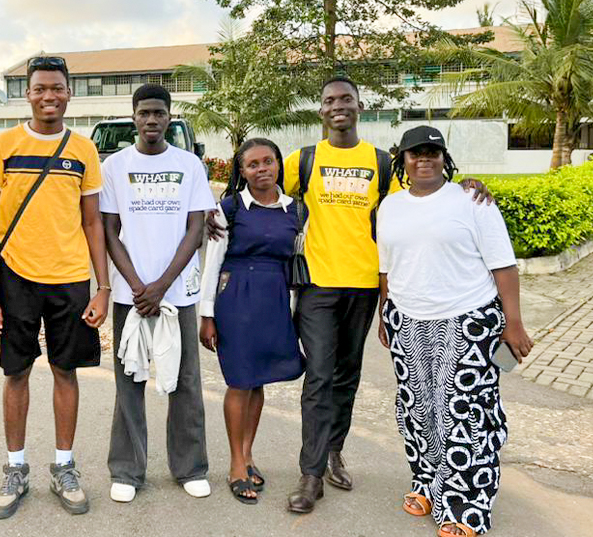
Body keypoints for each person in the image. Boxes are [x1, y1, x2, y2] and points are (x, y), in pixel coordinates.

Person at [206, 76, 490, 514]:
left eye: (346, 100)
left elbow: (418, 196)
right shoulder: (304, 159)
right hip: (318, 284)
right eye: (329, 101)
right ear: (320, 111)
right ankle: (310, 474)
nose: (338, 106)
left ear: (359, 105)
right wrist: (215, 215)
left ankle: (333, 451)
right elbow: (265, 195)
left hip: (363, 285)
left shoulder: (380, 161)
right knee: (318, 376)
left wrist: (466, 185)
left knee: (347, 377)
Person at [377, 126, 532, 537]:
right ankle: (427, 483)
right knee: (417, 411)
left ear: (445, 157)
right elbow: (386, 267)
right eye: (415, 153)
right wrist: (383, 313)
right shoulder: (390, 206)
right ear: (402, 161)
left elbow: (503, 265)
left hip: (467, 320)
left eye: (432, 152)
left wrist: (513, 322)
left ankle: (467, 505)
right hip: (407, 319)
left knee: (464, 414)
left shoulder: (472, 200)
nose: (423, 159)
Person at [0, 56, 110, 519]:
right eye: (39, 88)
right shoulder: (5, 145)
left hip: (71, 277)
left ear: (69, 93)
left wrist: (102, 286)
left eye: (57, 88)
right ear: (27, 94)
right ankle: (16, 469)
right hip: (16, 277)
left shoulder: (83, 150)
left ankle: (64, 466)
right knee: (16, 372)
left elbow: (93, 221)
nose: (48, 96)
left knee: (65, 371)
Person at [100, 84, 215, 503]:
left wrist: (162, 284)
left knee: (185, 380)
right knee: (129, 379)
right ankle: (128, 471)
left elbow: (195, 229)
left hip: (178, 291)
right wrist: (135, 286)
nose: (151, 120)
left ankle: (190, 467)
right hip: (131, 293)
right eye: (144, 113)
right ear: (134, 117)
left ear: (169, 118)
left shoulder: (189, 165)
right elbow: (110, 231)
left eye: (159, 113)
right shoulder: (115, 165)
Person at [200, 138, 304, 504]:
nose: (262, 169)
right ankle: (235, 464)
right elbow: (212, 263)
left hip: (275, 300)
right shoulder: (229, 209)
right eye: (253, 164)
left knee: (259, 381)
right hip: (236, 299)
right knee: (240, 382)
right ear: (241, 171)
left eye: (268, 162)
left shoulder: (296, 210)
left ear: (279, 164)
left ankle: (248, 454)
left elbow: (296, 260)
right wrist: (207, 315)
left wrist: (292, 311)